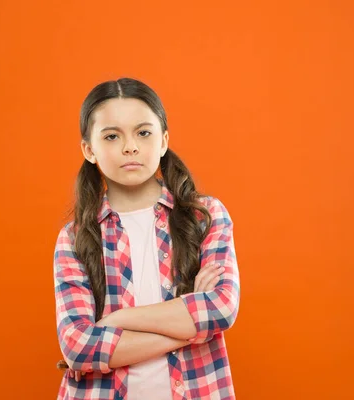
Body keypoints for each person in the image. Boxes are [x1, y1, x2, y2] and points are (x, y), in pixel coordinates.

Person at [54, 77, 240, 400]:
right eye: (112, 136)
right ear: (89, 149)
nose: (131, 146)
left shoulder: (204, 216)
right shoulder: (75, 239)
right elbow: (77, 345)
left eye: (143, 132)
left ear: (164, 141)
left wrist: (117, 320)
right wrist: (189, 327)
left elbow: (221, 308)